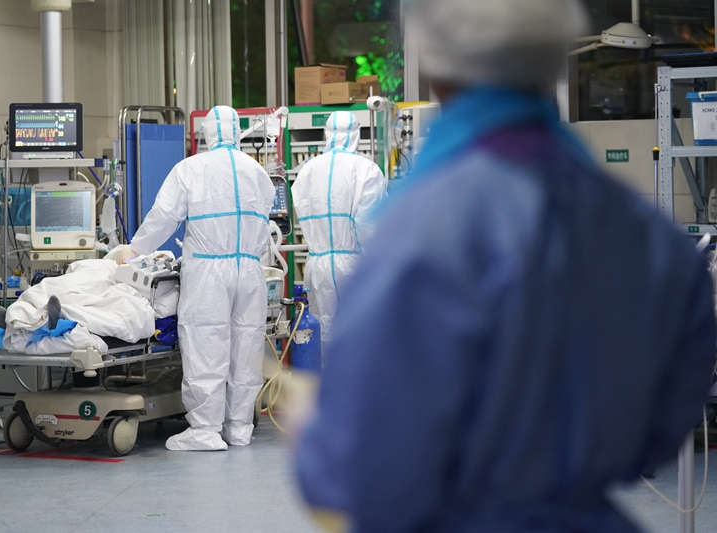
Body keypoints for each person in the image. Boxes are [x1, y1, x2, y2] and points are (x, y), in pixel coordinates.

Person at [294, 1, 717, 532]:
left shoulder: (423, 234)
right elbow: (660, 430)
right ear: (552, 57)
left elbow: (369, 475)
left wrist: (314, 431)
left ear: (438, 67)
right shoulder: (643, 233)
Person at [126, 106, 275, 451]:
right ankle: (239, 428)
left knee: (207, 345)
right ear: (237, 131)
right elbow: (266, 222)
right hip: (249, 270)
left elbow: (164, 216)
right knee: (246, 346)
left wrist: (136, 250)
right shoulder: (257, 171)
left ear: (206, 133)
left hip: (209, 270)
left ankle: (206, 431)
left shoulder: (190, 169)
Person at [291, 111, 387, 349]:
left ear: (327, 134)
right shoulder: (367, 170)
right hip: (353, 265)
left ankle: (323, 386)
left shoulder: (307, 170)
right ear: (355, 135)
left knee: (320, 334)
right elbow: (369, 227)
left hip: (317, 265)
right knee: (359, 336)